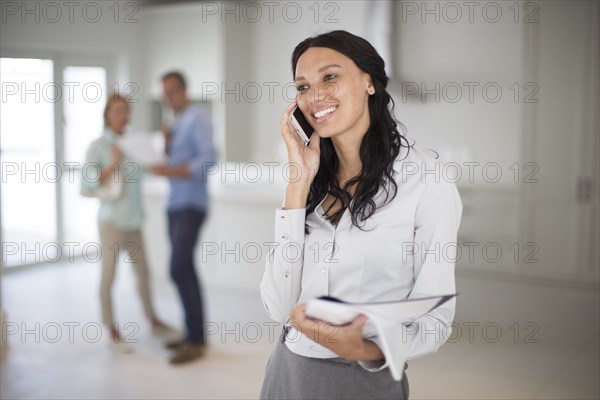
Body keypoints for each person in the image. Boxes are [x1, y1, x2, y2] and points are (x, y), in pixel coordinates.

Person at [259, 30, 462, 399]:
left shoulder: (427, 180)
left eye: (330, 77)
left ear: (369, 82)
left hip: (364, 380)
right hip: (287, 371)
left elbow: (436, 321)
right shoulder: (309, 177)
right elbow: (278, 307)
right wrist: (297, 185)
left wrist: (363, 349)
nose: (315, 95)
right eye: (303, 87)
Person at [81, 93, 173, 353]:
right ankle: (111, 328)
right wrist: (112, 164)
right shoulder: (98, 145)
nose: (124, 116)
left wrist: (163, 146)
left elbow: (152, 168)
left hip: (134, 220)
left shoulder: (134, 143)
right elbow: (86, 182)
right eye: (118, 111)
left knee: (143, 274)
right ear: (107, 115)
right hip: (111, 221)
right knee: (109, 275)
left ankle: (154, 321)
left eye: (126, 111)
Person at [151, 71, 216, 364]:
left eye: (173, 91)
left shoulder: (198, 116)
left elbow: (209, 159)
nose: (169, 97)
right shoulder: (175, 122)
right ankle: (194, 337)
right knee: (185, 269)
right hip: (174, 203)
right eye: (164, 93)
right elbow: (174, 160)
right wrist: (166, 144)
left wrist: (172, 171)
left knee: (178, 268)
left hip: (192, 203)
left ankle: (196, 338)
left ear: (185, 90)